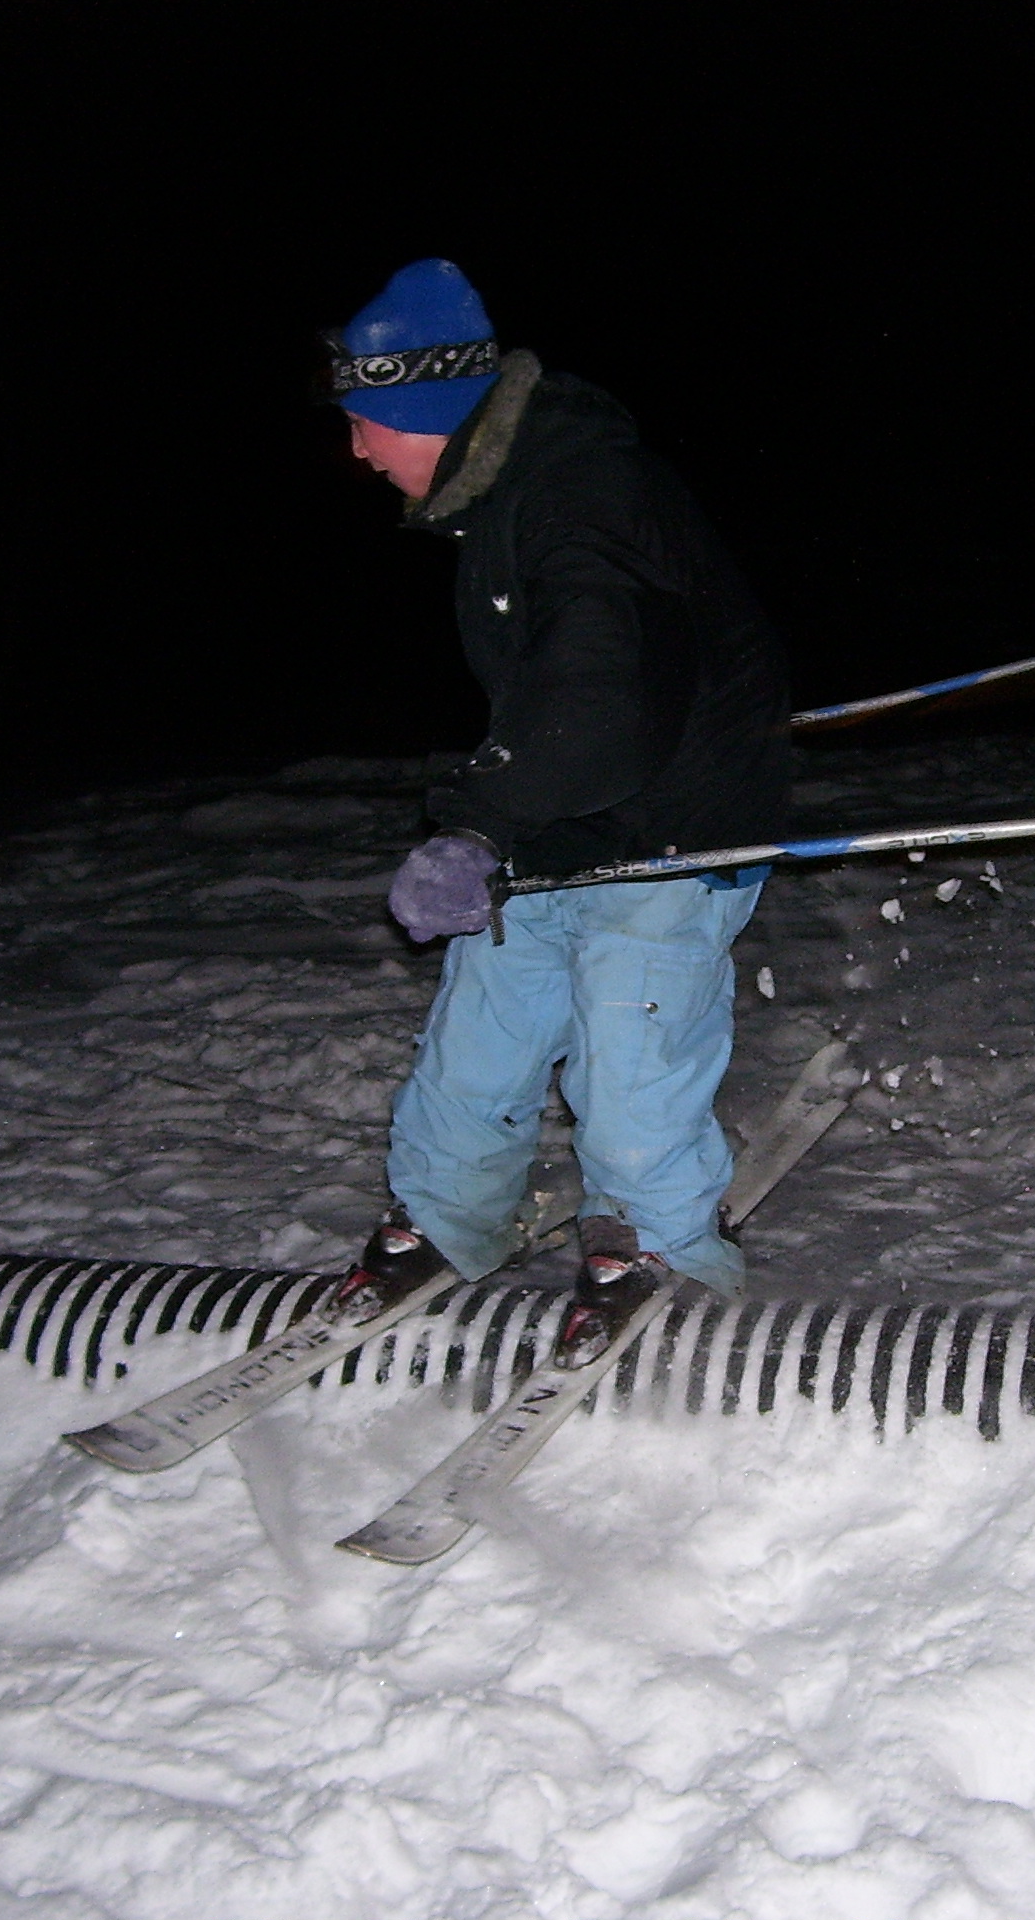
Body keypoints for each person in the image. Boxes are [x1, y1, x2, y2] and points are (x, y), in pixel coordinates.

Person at [313, 259, 789, 1367]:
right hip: (567, 811)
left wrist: (478, 824)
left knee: (628, 1051)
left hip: (676, 820)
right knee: (482, 1035)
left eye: (364, 424)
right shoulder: (505, 490)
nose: (356, 450)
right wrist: (503, 812)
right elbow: (561, 692)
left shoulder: (581, 491)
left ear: (418, 409)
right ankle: (442, 1211)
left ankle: (651, 1239)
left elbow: (596, 684)